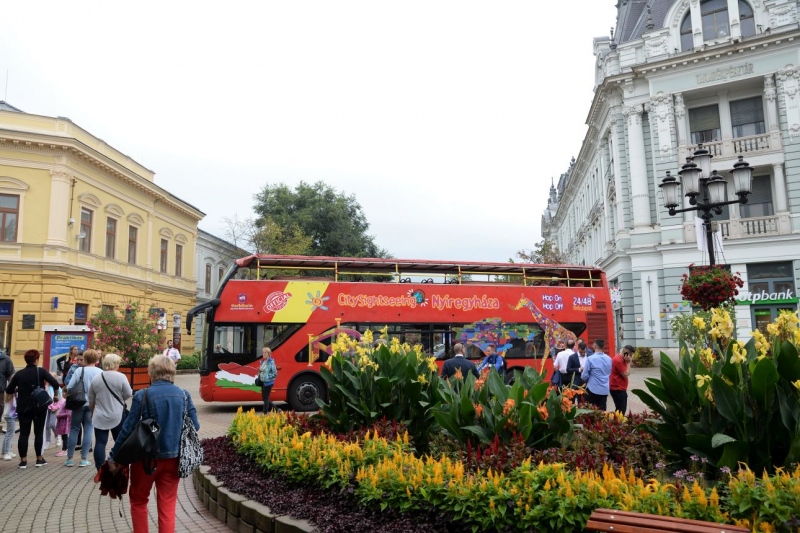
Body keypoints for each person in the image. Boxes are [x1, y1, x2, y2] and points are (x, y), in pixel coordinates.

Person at [108, 355, 200, 533]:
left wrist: (113, 456)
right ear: (172, 372)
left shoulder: (142, 396)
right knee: (167, 503)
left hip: (145, 459)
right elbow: (195, 426)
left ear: (151, 372)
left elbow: (127, 429)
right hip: (174, 458)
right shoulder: (184, 395)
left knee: (139, 500)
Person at [5, 349, 61, 468]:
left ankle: (23, 461)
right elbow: (55, 383)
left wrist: (18, 389)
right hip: (39, 407)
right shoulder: (41, 371)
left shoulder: (19, 374)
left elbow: (9, 390)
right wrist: (56, 395)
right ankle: (39, 459)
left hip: (23, 407)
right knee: (38, 432)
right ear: (36, 360)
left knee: (24, 434)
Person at [89, 353, 133, 470]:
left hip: (99, 415)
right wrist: (120, 399)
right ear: (115, 364)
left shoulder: (96, 378)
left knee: (100, 442)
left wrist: (92, 412)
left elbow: (91, 399)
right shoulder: (121, 377)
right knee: (119, 441)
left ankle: (100, 469)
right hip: (117, 414)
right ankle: (118, 465)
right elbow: (129, 393)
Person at [65, 348, 102, 467]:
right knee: (88, 430)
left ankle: (70, 459)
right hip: (92, 404)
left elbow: (69, 386)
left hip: (78, 403)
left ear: (85, 359)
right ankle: (84, 459)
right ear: (96, 359)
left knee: (74, 429)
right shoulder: (99, 372)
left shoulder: (79, 370)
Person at [580, 339, 612, 411]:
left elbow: (584, 375)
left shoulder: (590, 359)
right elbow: (609, 372)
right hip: (604, 389)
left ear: (594, 346)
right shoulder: (609, 359)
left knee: (589, 410)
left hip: (592, 388)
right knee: (602, 410)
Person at [610, 345, 634, 414]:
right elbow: (626, 374)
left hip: (621, 388)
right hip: (617, 388)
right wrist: (628, 363)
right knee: (621, 410)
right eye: (630, 355)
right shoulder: (618, 360)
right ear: (626, 353)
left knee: (621, 409)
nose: (631, 358)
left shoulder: (623, 359)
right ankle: (617, 423)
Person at [257, 347, 278, 413]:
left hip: (268, 383)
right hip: (263, 382)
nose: (264, 354)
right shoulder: (262, 362)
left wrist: (267, 377)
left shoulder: (271, 362)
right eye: (263, 352)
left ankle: (265, 413)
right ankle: (277, 410)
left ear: (269, 354)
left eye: (265, 353)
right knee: (265, 398)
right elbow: (262, 371)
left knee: (265, 398)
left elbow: (275, 374)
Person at [0, 348, 14, 433]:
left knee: (0, 406)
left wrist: (12, 387)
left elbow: (11, 375)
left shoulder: (6, 359)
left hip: (0, 388)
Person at [1, 394, 17, 460]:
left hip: (9, 415)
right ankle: (5, 452)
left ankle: (7, 451)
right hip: (10, 416)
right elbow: (15, 405)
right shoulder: (12, 397)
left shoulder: (9, 396)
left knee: (9, 433)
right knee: (9, 434)